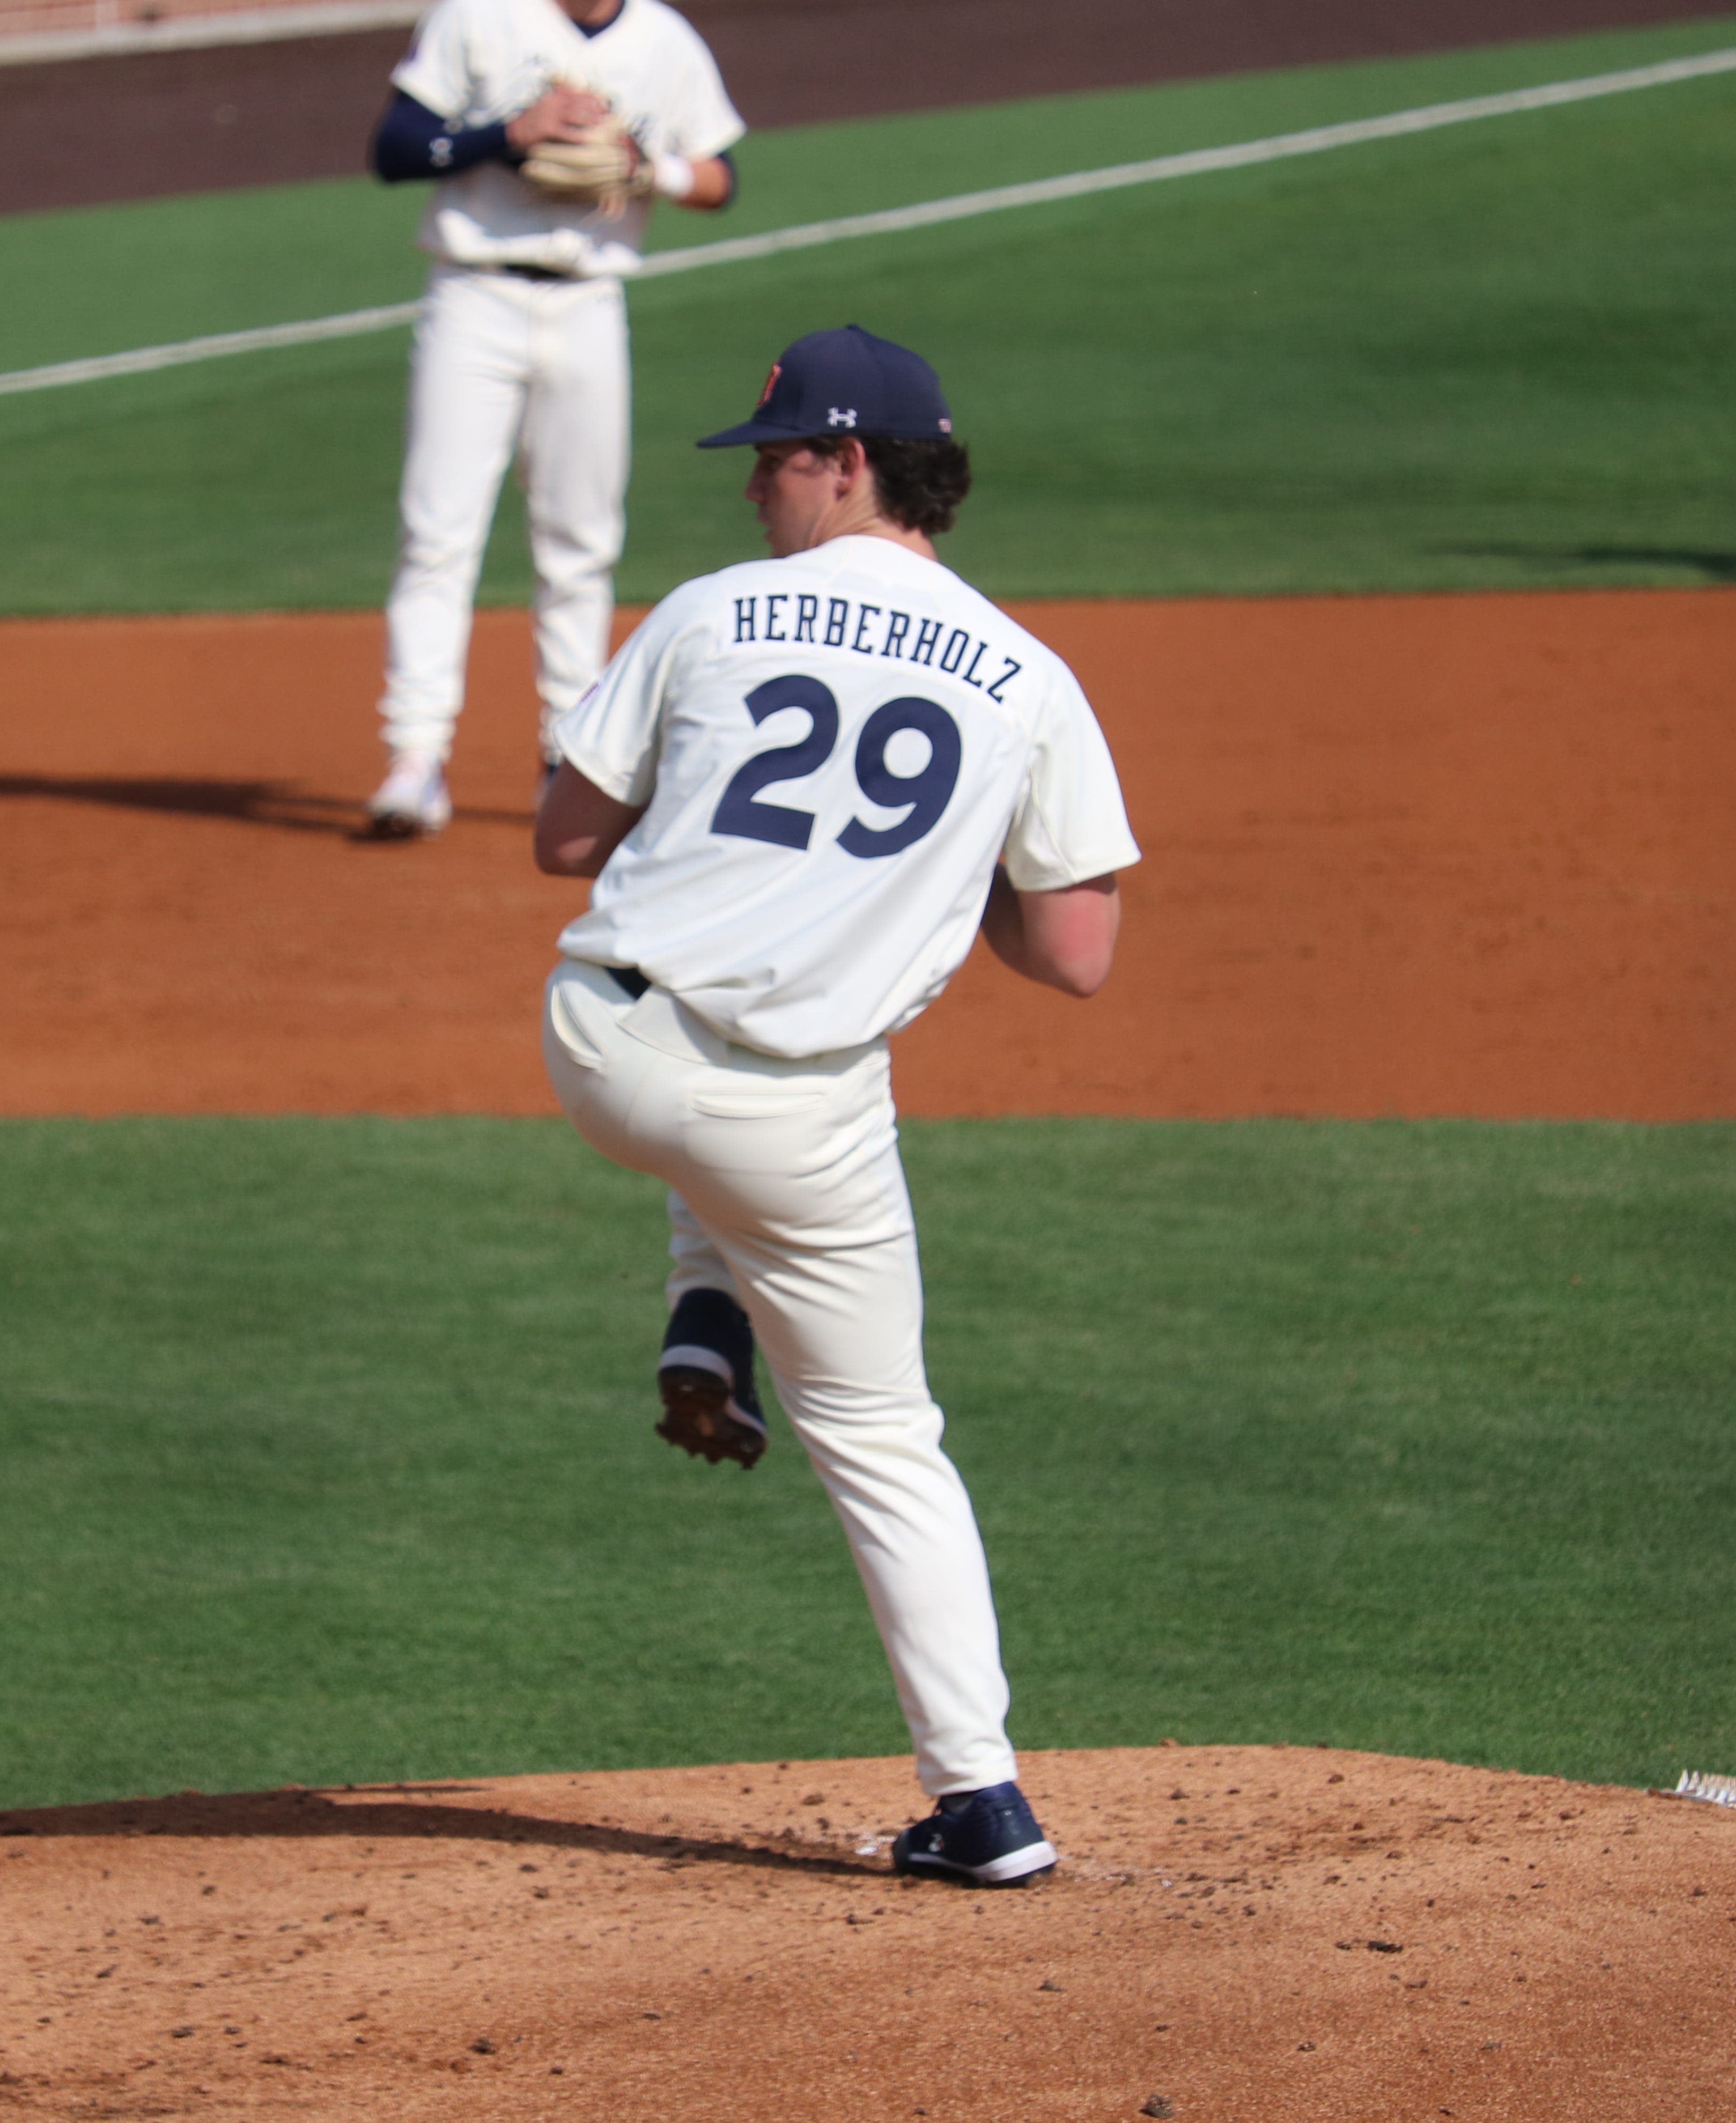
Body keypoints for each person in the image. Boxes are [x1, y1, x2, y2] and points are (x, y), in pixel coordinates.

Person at [532, 327, 1141, 1885]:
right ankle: (983, 1802)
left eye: (773, 458)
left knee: (731, 1031)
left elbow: (558, 836)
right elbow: (1073, 955)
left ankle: (701, 1308)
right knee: (877, 1430)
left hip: (604, 1051)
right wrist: (957, 875)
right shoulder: (1028, 674)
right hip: (796, 1132)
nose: (753, 491)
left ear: (847, 461)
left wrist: (708, 823)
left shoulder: (704, 614)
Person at [360, 0, 745, 836]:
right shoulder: (478, 18)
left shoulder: (665, 40)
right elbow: (392, 151)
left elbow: (721, 178)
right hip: (472, 296)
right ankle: (415, 759)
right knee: (437, 532)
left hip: (591, 304)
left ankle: (567, 760)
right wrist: (510, 133)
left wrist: (649, 170)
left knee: (580, 540)